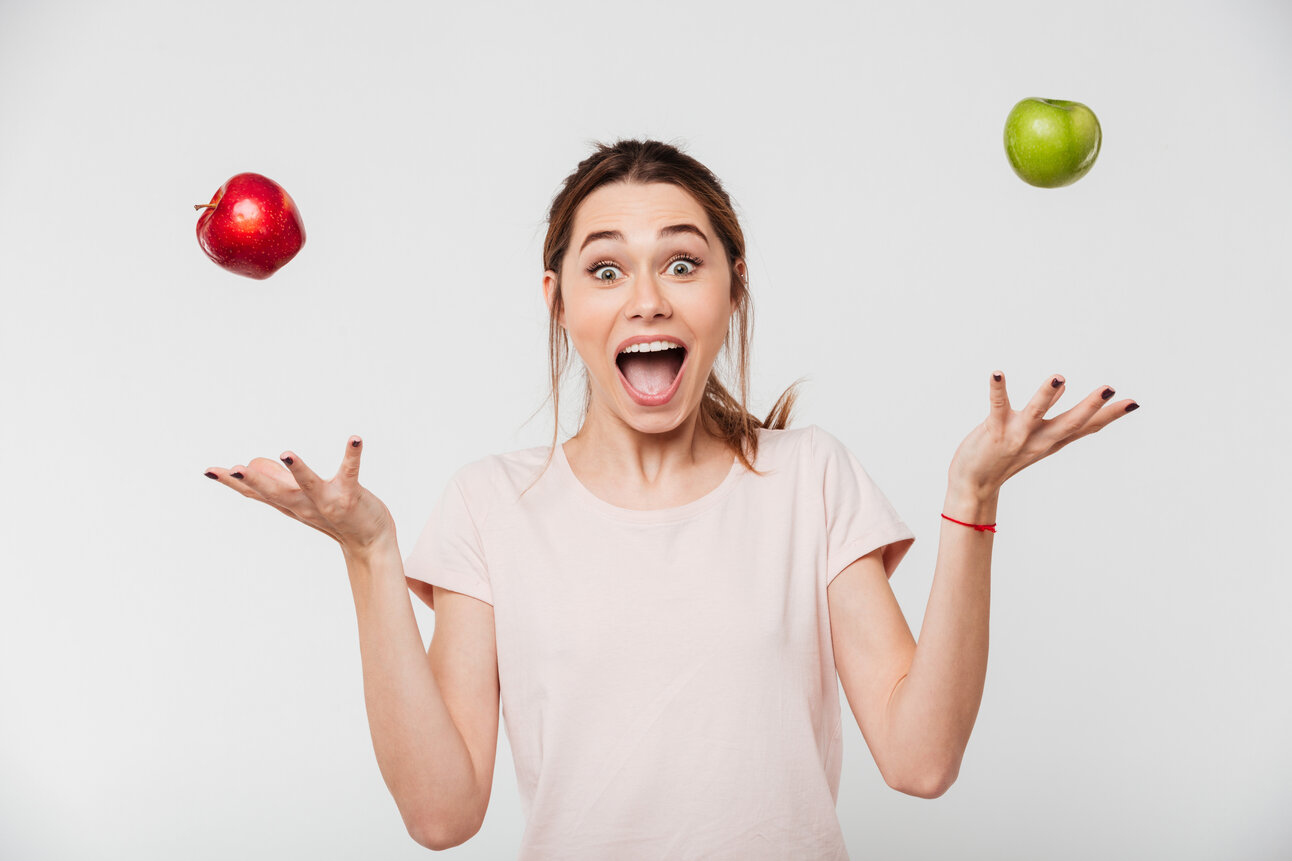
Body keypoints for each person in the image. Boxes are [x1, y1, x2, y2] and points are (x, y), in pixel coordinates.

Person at [204, 139, 1138, 859]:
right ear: (558, 301)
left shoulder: (811, 477)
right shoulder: (491, 504)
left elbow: (920, 759)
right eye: (606, 269)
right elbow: (442, 814)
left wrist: (971, 497)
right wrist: (369, 553)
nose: (646, 298)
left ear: (731, 290)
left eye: (683, 264)